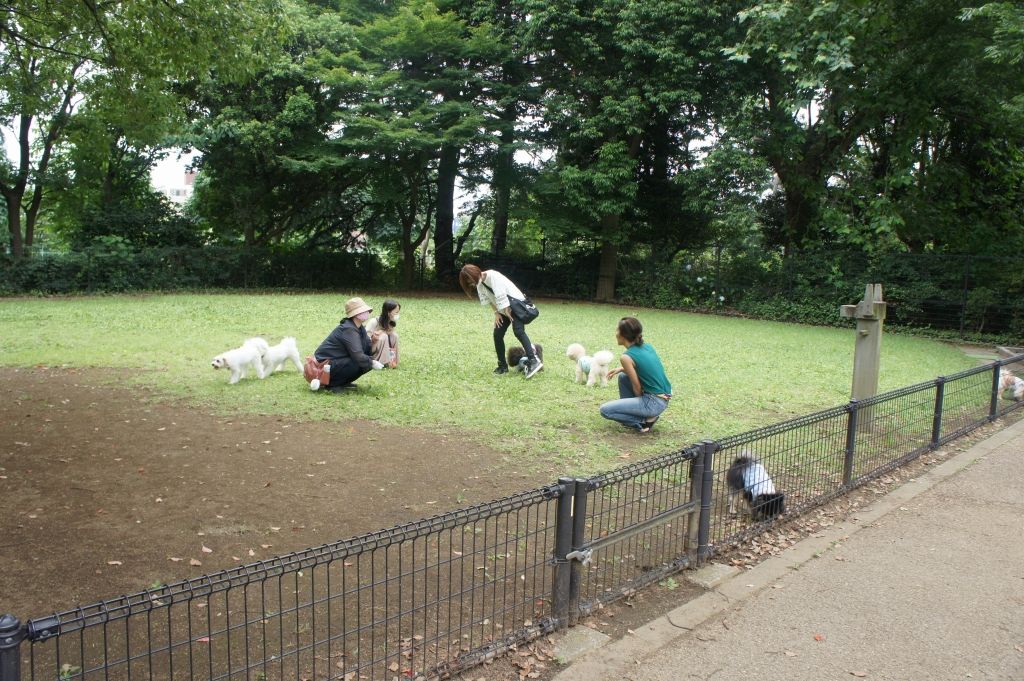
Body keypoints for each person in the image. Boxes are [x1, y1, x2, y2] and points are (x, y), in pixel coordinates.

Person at [459, 264, 543, 378]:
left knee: (518, 331)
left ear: (475, 273)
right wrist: (496, 313)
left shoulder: (492, 276)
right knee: (497, 334)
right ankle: (502, 366)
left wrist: (508, 312)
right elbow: (488, 299)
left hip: (514, 307)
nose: (470, 283)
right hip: (502, 309)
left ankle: (533, 360)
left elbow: (501, 295)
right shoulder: (479, 284)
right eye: (468, 282)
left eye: (470, 280)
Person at [599, 316, 672, 433]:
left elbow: (637, 387)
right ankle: (642, 414)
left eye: (617, 330)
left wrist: (641, 400)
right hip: (663, 398)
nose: (615, 333)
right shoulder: (647, 347)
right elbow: (646, 368)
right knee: (623, 376)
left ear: (623, 335)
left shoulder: (626, 357)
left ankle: (643, 422)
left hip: (653, 402)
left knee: (605, 410)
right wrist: (622, 369)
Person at [312, 297, 384, 391]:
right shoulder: (348, 329)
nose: (366, 313)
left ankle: (343, 382)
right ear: (355, 314)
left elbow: (367, 351)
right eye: (363, 311)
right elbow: (358, 355)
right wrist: (372, 362)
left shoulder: (359, 328)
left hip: (336, 362)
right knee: (360, 362)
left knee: (365, 361)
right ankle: (332, 384)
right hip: (324, 365)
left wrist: (374, 341)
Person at [364, 299, 401, 369]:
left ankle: (391, 360)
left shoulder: (391, 323)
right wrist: (374, 338)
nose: (397, 315)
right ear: (388, 312)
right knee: (383, 336)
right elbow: (365, 339)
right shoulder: (374, 321)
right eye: (396, 312)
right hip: (370, 349)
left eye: (398, 312)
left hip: (380, 347)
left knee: (394, 336)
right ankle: (378, 361)